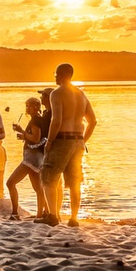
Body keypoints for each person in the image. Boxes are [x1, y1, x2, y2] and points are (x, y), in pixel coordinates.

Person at [41, 63, 98, 227]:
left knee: (48, 176)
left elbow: (56, 120)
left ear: (60, 75)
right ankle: (74, 218)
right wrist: (83, 140)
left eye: (56, 74)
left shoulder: (56, 94)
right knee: (74, 182)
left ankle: (52, 215)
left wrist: (50, 141)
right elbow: (93, 121)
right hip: (77, 140)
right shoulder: (81, 94)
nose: (55, 76)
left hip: (62, 139)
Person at [6, 96, 50, 220]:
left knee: (10, 183)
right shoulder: (39, 120)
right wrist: (24, 136)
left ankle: (15, 213)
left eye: (29, 106)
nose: (27, 109)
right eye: (26, 106)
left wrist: (22, 131)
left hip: (31, 158)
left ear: (36, 107)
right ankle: (43, 213)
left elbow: (36, 138)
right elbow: (37, 138)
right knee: (38, 188)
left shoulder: (36, 120)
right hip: (37, 157)